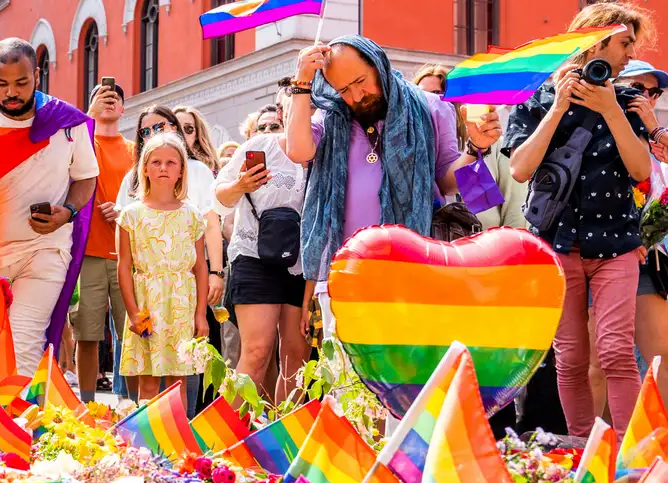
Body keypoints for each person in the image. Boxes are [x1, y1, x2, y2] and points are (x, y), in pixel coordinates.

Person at [286, 36, 502, 344]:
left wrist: (475, 148)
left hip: (414, 268)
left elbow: (447, 182)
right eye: (343, 90)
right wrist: (301, 83)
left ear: (379, 66)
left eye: (360, 82)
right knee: (346, 370)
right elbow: (298, 151)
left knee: (410, 368)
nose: (356, 96)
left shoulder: (431, 107)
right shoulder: (330, 115)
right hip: (344, 272)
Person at [504, 2, 654, 438]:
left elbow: (640, 170)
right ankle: (582, 446)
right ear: (595, 41)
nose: (630, 55)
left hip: (617, 245)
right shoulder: (536, 100)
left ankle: (628, 456)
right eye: (625, 43)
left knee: (617, 352)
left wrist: (611, 110)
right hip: (557, 244)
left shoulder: (627, 102)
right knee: (569, 357)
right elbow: (520, 169)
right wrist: (556, 109)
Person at [0, 38, 98, 375]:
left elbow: (86, 178)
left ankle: (16, 409)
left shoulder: (67, 122)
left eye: (21, 82)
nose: (11, 92)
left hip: (46, 250)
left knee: (23, 346)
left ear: (37, 75)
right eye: (1, 83)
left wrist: (68, 211)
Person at [214, 105, 308, 400]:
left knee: (297, 360)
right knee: (256, 353)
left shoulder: (321, 149)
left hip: (302, 262)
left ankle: (284, 429)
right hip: (254, 255)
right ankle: (227, 428)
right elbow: (219, 198)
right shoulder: (258, 147)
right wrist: (240, 185)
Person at [117, 133, 208, 400]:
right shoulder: (131, 214)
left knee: (178, 379)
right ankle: (146, 428)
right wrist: (134, 313)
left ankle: (176, 427)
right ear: (144, 168)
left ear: (181, 171)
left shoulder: (192, 215)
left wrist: (200, 314)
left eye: (171, 162)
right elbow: (124, 266)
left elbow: (200, 267)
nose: (163, 168)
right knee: (148, 378)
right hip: (147, 304)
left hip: (182, 304)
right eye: (156, 162)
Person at [73, 82, 136, 403]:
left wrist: (125, 212)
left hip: (129, 255)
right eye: (101, 95)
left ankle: (134, 406)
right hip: (89, 253)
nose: (109, 100)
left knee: (135, 334)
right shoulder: (81, 141)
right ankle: (86, 405)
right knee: (87, 335)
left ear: (123, 109)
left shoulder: (136, 151)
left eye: (115, 98)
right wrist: (89, 116)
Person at [412, 65, 528, 229]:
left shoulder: (494, 145)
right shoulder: (413, 148)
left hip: (485, 240)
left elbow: (515, 205)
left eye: (439, 94)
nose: (432, 101)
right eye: (421, 94)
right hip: (433, 239)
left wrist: (514, 240)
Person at [619, 59, 668, 406]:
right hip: (599, 258)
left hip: (650, 266)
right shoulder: (592, 132)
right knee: (604, 362)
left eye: (654, 92)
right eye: (637, 88)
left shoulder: (658, 145)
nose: (646, 98)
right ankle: (601, 435)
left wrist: (655, 130)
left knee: (658, 358)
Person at [174, 106, 220, 173]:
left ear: (197, 135)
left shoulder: (207, 167)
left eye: (189, 128)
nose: (182, 132)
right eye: (177, 128)